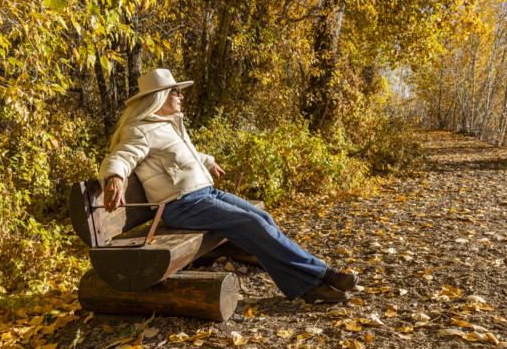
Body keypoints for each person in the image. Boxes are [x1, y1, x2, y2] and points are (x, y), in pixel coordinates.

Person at [98, 68, 358, 303]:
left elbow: (182, 156)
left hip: (203, 194)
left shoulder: (170, 125)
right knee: (252, 225)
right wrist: (115, 177)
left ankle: (305, 286)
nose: (181, 96)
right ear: (161, 96)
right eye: (177, 92)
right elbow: (122, 156)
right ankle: (324, 274)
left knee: (262, 217)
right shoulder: (140, 130)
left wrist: (208, 161)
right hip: (181, 205)